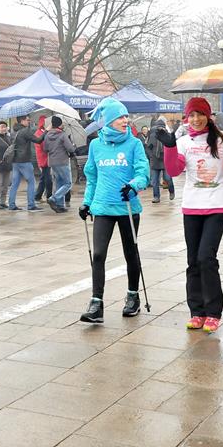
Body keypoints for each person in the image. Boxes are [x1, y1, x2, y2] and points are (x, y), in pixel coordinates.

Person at [159, 97, 223, 333]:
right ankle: (197, 311)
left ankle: (213, 312)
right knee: (193, 261)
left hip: (217, 206)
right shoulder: (183, 142)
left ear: (208, 116)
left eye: (200, 114)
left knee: (206, 258)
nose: (196, 119)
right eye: (191, 115)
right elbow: (173, 171)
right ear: (187, 118)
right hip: (192, 206)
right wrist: (169, 148)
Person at [78, 99, 150, 322]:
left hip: (127, 206)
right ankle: (96, 304)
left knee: (131, 253)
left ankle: (133, 296)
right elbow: (92, 177)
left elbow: (143, 172)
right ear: (108, 120)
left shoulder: (134, 144)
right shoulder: (95, 145)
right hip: (102, 207)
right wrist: (87, 203)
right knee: (98, 254)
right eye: (120, 117)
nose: (125, 120)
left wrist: (134, 185)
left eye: (126, 116)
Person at [8, 116, 45, 211]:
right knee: (31, 182)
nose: (29, 122)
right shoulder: (25, 131)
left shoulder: (13, 131)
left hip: (15, 160)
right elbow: (38, 140)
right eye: (28, 120)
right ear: (22, 121)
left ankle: (11, 205)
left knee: (15, 184)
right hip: (24, 160)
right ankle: (31, 205)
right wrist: (46, 131)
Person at [43, 115, 76, 212]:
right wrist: (73, 145)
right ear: (59, 125)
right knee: (68, 183)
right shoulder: (62, 135)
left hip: (52, 162)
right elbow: (70, 148)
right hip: (62, 161)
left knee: (59, 183)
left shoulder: (47, 135)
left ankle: (60, 205)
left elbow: (45, 149)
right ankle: (53, 198)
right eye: (62, 124)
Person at [146, 119, 175, 202]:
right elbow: (148, 148)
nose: (160, 129)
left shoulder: (168, 136)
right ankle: (156, 197)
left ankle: (171, 191)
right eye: (158, 127)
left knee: (168, 178)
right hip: (155, 161)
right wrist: (151, 156)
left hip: (166, 161)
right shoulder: (152, 136)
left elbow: (172, 148)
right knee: (154, 181)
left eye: (161, 127)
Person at [33, 116, 53, 204]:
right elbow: (42, 145)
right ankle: (49, 196)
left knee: (44, 178)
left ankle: (38, 196)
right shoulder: (39, 133)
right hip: (43, 159)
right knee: (48, 179)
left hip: (47, 158)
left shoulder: (44, 132)